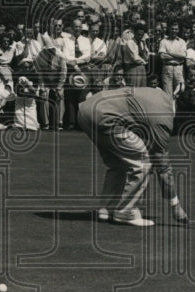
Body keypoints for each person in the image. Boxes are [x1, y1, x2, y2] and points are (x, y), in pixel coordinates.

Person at [78, 86, 188, 227]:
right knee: (143, 162)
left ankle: (107, 209)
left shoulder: (162, 96)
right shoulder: (163, 119)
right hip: (104, 116)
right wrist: (175, 205)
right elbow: (163, 165)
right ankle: (126, 212)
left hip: (85, 111)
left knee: (118, 163)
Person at [158, 21, 188, 96]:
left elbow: (183, 55)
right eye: (172, 29)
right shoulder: (164, 41)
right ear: (169, 29)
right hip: (167, 68)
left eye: (176, 29)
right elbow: (162, 56)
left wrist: (169, 53)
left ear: (178, 30)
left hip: (179, 69)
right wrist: (177, 55)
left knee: (180, 92)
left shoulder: (182, 42)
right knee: (167, 94)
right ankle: (169, 108)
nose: (174, 31)